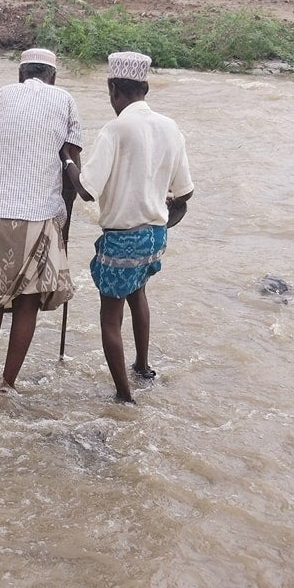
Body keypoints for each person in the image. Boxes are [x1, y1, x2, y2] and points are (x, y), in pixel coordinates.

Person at [62, 51, 194, 404]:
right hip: (154, 236)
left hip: (123, 239)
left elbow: (87, 190)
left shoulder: (116, 129)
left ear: (114, 90)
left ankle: (124, 395)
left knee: (109, 319)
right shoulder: (170, 127)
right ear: (145, 88)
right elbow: (185, 191)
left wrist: (67, 161)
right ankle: (143, 367)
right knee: (138, 294)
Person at [0, 46, 83, 390]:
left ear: (20, 74)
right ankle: (7, 382)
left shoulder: (0, 95)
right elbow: (72, 165)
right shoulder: (66, 100)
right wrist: (65, 223)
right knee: (28, 302)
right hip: (41, 216)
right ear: (53, 77)